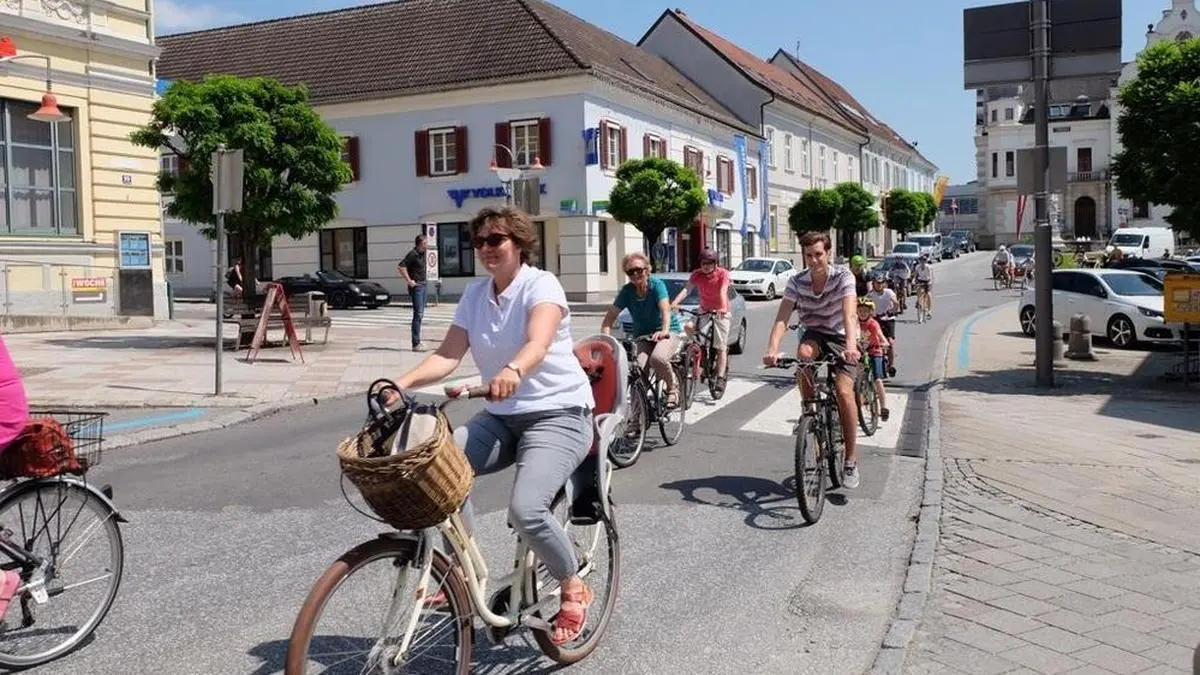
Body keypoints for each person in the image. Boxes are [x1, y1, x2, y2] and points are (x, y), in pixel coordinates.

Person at [388, 206, 596, 646]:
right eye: (479, 241)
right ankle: (459, 575)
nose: (486, 249)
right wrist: (400, 384)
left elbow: (538, 342)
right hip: (502, 418)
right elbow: (448, 355)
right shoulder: (475, 294)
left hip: (558, 414)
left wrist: (514, 370)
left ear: (519, 243)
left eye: (496, 239)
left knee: (526, 510)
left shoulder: (542, 285)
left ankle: (573, 585)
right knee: (435, 474)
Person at [762, 231, 862, 489]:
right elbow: (783, 318)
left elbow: (850, 315)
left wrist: (851, 346)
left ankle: (850, 460)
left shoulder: (843, 276)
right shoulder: (797, 282)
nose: (814, 260)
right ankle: (809, 412)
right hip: (815, 333)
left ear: (828, 253)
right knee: (804, 355)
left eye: (819, 254)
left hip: (841, 335)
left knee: (843, 391)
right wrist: (772, 350)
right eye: (809, 255)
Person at [601, 252, 683, 409]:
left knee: (658, 358)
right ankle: (637, 420)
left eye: (639, 269)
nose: (635, 274)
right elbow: (608, 321)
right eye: (630, 272)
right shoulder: (627, 291)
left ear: (647, 269)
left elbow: (665, 310)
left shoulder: (656, 285)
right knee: (638, 370)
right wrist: (607, 343)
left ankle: (673, 387)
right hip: (642, 336)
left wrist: (664, 330)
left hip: (667, 330)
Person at [670, 249, 731, 392]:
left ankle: (721, 377)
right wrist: (674, 303)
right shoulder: (696, 275)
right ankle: (701, 348)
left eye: (710, 264)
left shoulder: (723, 274)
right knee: (688, 326)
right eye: (704, 263)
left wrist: (722, 308)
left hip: (721, 311)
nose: (706, 266)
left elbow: (723, 290)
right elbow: (687, 290)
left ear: (715, 264)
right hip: (704, 310)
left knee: (721, 346)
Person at [856, 297, 891, 422]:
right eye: (860, 310)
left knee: (877, 378)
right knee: (857, 379)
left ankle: (883, 407)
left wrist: (884, 341)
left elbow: (880, 334)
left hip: (875, 350)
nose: (862, 313)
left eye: (865, 311)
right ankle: (858, 407)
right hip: (860, 352)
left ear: (870, 312)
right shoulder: (855, 322)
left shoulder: (873, 323)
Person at [398, 235, 429, 352]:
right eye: (425, 243)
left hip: (423, 284)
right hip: (417, 287)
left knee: (421, 314)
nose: (427, 245)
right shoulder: (413, 254)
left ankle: (418, 341)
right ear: (419, 244)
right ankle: (415, 344)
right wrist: (409, 281)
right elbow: (401, 266)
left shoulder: (422, 254)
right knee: (418, 314)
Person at [867, 274, 899, 377]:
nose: (879, 285)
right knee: (873, 340)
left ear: (884, 283)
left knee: (890, 342)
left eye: (881, 283)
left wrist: (892, 310)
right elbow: (864, 305)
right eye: (877, 283)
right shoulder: (870, 295)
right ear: (873, 284)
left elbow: (895, 303)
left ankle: (892, 365)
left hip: (888, 319)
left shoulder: (889, 292)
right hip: (876, 319)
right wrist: (870, 314)